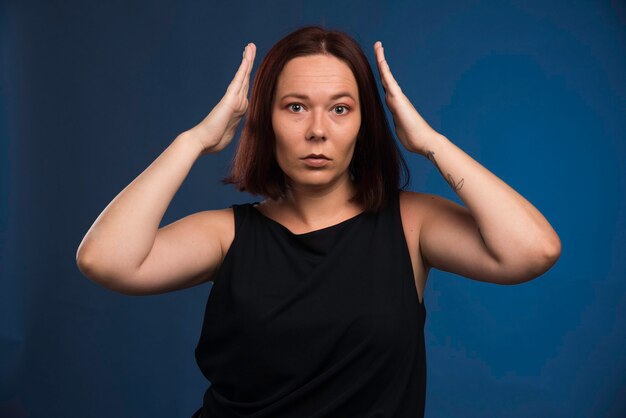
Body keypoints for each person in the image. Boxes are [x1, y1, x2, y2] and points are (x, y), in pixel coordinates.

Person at [76, 26, 561, 418]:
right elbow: (105, 260)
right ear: (265, 121)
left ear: (363, 124)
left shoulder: (411, 224)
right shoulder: (226, 234)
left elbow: (532, 250)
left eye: (340, 109)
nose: (317, 131)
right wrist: (194, 141)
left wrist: (430, 141)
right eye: (295, 107)